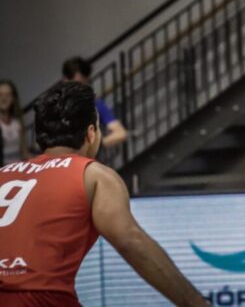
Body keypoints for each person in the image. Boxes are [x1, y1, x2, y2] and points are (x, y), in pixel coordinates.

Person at [0, 81, 208, 306]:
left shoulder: (3, 174)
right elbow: (131, 242)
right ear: (91, 133)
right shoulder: (93, 175)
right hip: (41, 299)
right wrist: (197, 303)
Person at [62, 56, 128, 147]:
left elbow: (121, 133)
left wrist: (95, 146)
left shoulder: (95, 104)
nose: (79, 88)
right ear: (65, 80)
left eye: (82, 84)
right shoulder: (56, 105)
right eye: (75, 84)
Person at [0, 79, 31, 166]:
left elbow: (24, 153)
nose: (4, 99)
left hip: (16, 169)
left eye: (8, 95)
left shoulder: (17, 123)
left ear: (13, 98)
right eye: (0, 95)